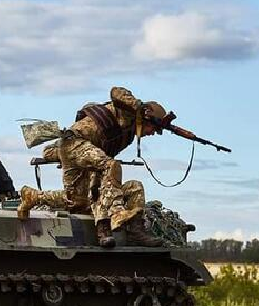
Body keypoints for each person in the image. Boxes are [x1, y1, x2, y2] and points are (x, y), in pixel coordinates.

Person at [18, 87, 164, 248]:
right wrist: (138, 105)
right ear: (144, 119)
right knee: (109, 166)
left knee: (81, 200)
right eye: (154, 129)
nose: (152, 134)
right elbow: (116, 91)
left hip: (83, 152)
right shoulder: (127, 111)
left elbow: (103, 154)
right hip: (75, 143)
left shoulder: (127, 135)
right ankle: (107, 225)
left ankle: (136, 232)